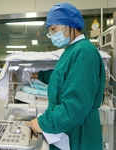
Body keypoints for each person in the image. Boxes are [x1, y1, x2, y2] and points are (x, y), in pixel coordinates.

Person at [26, 3, 105, 150]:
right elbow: (61, 77)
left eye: (54, 29)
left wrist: (43, 123)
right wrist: (40, 75)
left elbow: (75, 106)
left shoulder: (83, 53)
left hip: (79, 133)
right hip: (69, 127)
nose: (52, 36)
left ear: (70, 25)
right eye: (49, 32)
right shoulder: (72, 50)